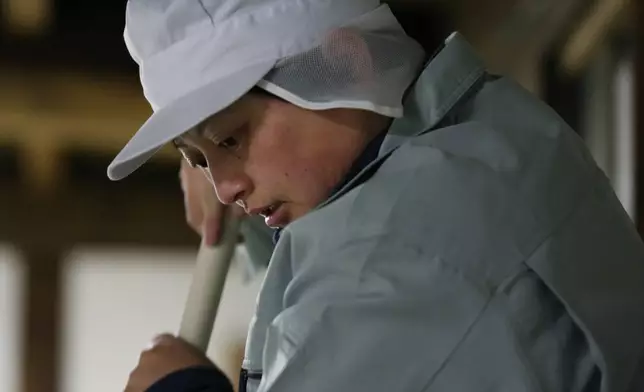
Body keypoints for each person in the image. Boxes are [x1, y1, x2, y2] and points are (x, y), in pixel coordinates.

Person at [111, 0, 644, 391]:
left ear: (342, 62)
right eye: (198, 159)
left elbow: (374, 267)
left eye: (231, 137)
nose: (224, 189)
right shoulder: (476, 137)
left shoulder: (409, 248)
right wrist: (223, 156)